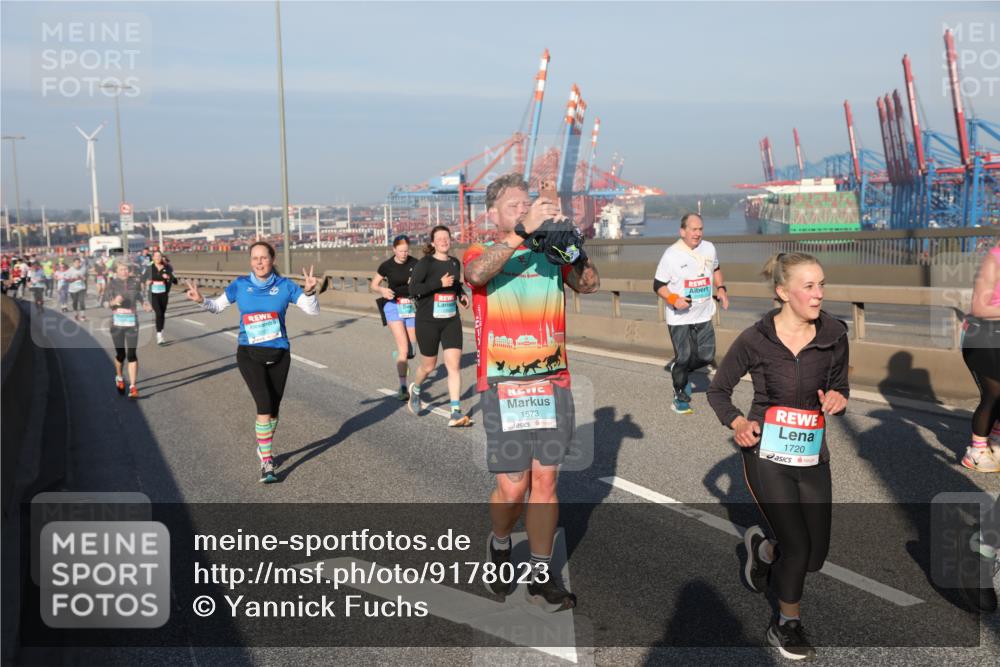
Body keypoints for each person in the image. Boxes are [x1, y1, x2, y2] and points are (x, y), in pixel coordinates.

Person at [464, 173, 599, 611]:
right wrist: (525, 231)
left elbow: (589, 283)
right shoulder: (481, 251)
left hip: (552, 381)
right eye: (514, 207)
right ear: (493, 214)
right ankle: (500, 541)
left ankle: (541, 575)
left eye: (528, 204)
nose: (524, 211)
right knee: (513, 488)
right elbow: (475, 274)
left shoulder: (549, 252)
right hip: (503, 385)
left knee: (545, 480)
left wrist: (571, 245)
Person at [707, 252, 849, 661]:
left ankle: (764, 550)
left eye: (822, 285)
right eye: (809, 286)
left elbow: (840, 386)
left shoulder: (835, 334)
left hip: (811, 455)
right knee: (798, 548)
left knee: (814, 557)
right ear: (784, 292)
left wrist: (838, 398)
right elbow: (718, 391)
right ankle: (786, 624)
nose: (819, 294)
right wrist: (738, 423)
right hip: (766, 452)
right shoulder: (756, 339)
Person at [185, 241, 319, 484]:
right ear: (250, 261)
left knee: (274, 409)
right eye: (255, 258)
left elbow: (312, 311)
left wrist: (309, 292)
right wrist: (201, 300)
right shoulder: (240, 285)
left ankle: (263, 446)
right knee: (264, 404)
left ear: (272, 260)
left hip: (279, 354)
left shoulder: (285, 285)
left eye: (264, 257)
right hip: (249, 353)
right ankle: (266, 462)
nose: (259, 262)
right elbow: (216, 307)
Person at [653, 213, 729, 415]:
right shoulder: (671, 255)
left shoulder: (709, 248)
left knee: (707, 356)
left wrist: (721, 289)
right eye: (693, 229)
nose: (697, 233)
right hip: (679, 318)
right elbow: (658, 285)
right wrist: (673, 299)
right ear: (683, 231)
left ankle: (679, 368)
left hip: (703, 314)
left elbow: (716, 268)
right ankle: (680, 397)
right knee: (684, 356)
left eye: (700, 229)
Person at [407, 225, 472, 426]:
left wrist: (461, 294)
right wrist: (438, 284)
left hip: (451, 320)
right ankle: (416, 389)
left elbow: (455, 284)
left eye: (446, 237)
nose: (444, 240)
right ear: (433, 243)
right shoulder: (426, 263)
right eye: (439, 238)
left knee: (454, 365)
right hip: (427, 322)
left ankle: (455, 412)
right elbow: (413, 289)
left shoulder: (454, 262)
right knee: (428, 366)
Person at [959, 242, 1000, 472]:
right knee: (994, 393)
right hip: (981, 336)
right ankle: (976, 453)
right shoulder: (993, 260)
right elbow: (979, 308)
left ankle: (995, 442)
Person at [371, 235, 419, 400]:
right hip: (392, 306)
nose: (404, 254)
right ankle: (403, 388)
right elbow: (374, 284)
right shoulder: (387, 266)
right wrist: (383, 290)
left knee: (412, 351)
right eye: (400, 251)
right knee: (404, 349)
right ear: (394, 250)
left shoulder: (415, 263)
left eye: (406, 251)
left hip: (410, 307)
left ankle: (399, 355)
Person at [106, 262, 152, 399]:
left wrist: (145, 304)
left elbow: (140, 297)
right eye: (122, 269)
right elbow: (105, 303)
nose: (125, 271)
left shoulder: (135, 283)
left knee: (132, 355)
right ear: (116, 271)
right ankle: (119, 377)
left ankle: (132, 387)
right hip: (117, 324)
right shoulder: (112, 284)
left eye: (126, 269)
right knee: (121, 355)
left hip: (132, 323)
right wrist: (114, 302)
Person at [144, 250, 179, 345]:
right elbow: (142, 279)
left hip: (163, 294)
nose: (157, 258)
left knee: (162, 314)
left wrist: (168, 277)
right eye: (156, 256)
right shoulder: (149, 268)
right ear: (153, 258)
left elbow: (175, 281)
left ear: (161, 257)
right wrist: (147, 282)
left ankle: (160, 332)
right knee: (158, 313)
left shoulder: (167, 268)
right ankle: (159, 336)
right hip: (152, 294)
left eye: (159, 256)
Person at [64, 257, 88, 321]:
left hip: (81, 288)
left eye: (79, 262)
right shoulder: (70, 270)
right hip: (73, 289)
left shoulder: (83, 269)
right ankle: (76, 314)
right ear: (73, 263)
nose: (77, 264)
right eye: (76, 263)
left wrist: (83, 278)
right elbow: (66, 279)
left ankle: (82, 316)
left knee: (82, 302)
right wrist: (74, 279)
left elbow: (85, 276)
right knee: (75, 302)